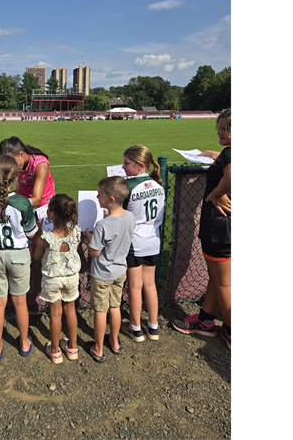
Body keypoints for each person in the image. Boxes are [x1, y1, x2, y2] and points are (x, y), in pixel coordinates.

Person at [172, 108, 232, 350]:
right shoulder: (226, 154)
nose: (220, 131)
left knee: (225, 283)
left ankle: (229, 331)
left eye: (226, 128)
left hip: (219, 227)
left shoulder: (229, 154)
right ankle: (206, 321)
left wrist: (216, 194)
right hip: (227, 227)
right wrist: (217, 156)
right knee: (220, 279)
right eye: (219, 126)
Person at [0, 155, 39, 360]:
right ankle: (24, 341)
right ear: (15, 178)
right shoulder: (22, 203)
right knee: (20, 302)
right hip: (19, 255)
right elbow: (31, 233)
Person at [83, 176, 136, 363]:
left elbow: (95, 252)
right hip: (120, 270)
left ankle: (98, 348)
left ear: (110, 199)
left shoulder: (102, 225)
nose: (97, 197)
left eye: (99, 194)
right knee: (115, 307)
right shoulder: (130, 217)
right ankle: (114, 342)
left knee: (100, 310)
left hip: (102, 274)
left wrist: (89, 237)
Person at [120, 145, 166, 343]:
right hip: (153, 242)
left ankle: (136, 328)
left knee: (135, 287)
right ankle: (153, 327)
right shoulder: (158, 185)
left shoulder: (127, 187)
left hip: (134, 243)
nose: (122, 167)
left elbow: (120, 215)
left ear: (140, 165)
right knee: (150, 284)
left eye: (126, 163)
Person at [32, 194, 81, 363]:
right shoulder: (76, 232)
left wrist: (38, 234)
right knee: (70, 311)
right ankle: (73, 348)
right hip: (72, 277)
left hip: (53, 278)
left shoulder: (46, 238)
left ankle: (55, 351)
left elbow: (37, 257)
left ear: (51, 214)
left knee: (55, 314)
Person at [0, 136, 55, 208]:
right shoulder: (16, 162)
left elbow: (37, 200)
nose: (11, 166)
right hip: (22, 199)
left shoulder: (40, 165)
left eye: (12, 161)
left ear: (21, 154)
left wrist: (14, 203)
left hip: (42, 206)